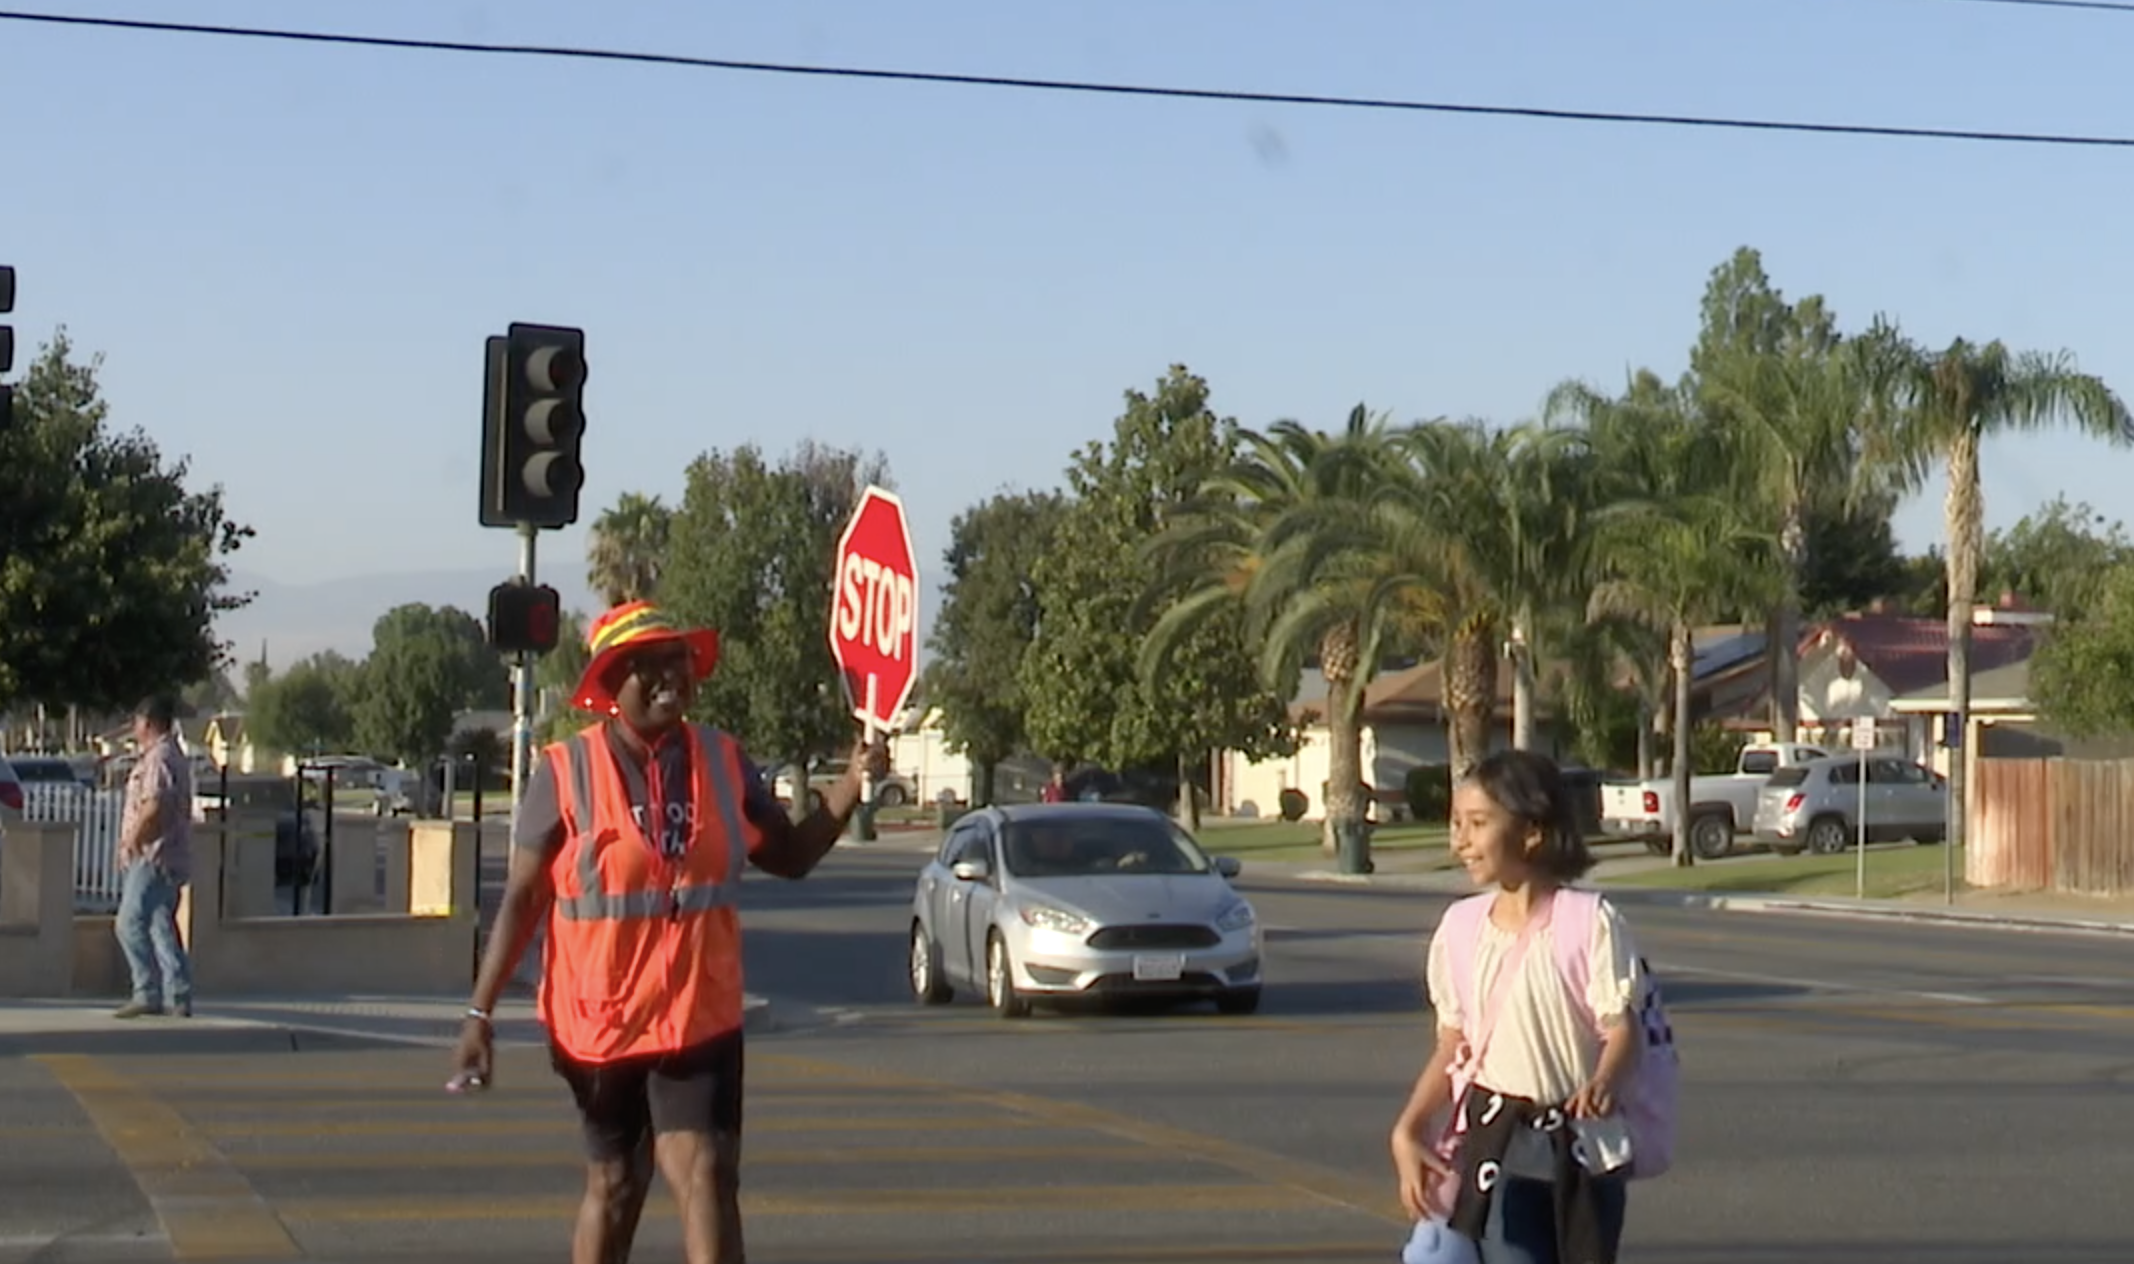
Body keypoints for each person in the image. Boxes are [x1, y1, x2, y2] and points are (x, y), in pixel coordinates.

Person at [453, 600, 888, 1264]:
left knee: (707, 1172)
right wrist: (479, 1014)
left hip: (697, 1015)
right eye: (644, 665)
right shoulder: (565, 772)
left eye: (676, 660)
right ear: (611, 684)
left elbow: (792, 856)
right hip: (599, 1025)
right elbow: (523, 896)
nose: (666, 677)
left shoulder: (723, 760)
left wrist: (853, 782)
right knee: (618, 1182)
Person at [1388, 750, 1644, 1264]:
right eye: (1456, 823)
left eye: (1477, 823)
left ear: (1532, 831)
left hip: (1583, 1159)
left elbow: (1622, 1026)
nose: (1459, 839)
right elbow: (1453, 1043)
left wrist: (1605, 1081)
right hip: (1497, 1155)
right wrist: (1409, 1125)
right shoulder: (1460, 928)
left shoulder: (1589, 922)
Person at [113, 694, 195, 1020]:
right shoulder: (171, 755)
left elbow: (155, 806)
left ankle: (146, 991)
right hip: (171, 856)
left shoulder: (159, 758)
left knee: (128, 922)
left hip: (154, 856)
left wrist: (134, 841)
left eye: (136, 722)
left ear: (148, 723)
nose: (134, 728)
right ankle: (179, 995)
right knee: (161, 926)